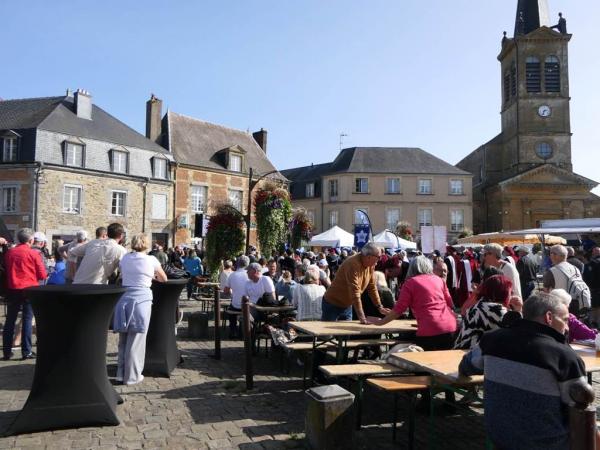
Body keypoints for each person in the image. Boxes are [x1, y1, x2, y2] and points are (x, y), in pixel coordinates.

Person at [459, 291, 587, 449]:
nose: (567, 327)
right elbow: (580, 411)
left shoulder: (491, 340)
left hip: (500, 438)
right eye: (565, 320)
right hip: (549, 444)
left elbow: (466, 366)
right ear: (549, 317)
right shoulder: (564, 357)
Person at [113, 234, 167, 385]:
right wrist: (152, 277)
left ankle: (120, 373)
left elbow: (122, 275)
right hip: (141, 298)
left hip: (124, 297)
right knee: (136, 339)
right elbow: (164, 278)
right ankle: (132, 376)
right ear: (146, 244)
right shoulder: (151, 260)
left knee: (123, 338)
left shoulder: (125, 258)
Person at [369, 256, 457, 348]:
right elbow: (450, 304)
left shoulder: (410, 283)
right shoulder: (439, 280)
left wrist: (381, 322)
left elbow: (399, 310)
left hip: (429, 330)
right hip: (451, 327)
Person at [2, 228, 47, 360]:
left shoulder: (10, 253)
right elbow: (42, 274)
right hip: (29, 289)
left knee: (10, 320)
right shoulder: (33, 254)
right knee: (27, 320)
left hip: (13, 289)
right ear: (31, 240)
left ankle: (6, 351)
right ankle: (26, 351)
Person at [322, 242, 390, 323]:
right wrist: (362, 317)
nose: (380, 259)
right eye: (379, 257)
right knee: (326, 334)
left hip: (347, 305)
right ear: (368, 257)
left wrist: (379, 307)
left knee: (346, 335)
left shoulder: (371, 265)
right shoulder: (352, 264)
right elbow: (355, 292)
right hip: (332, 304)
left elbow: (372, 287)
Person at [454, 275, 516, 349]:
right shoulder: (493, 309)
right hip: (471, 355)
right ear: (503, 292)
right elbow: (517, 333)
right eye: (510, 292)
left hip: (463, 351)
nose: (512, 294)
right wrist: (518, 310)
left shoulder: (481, 304)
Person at [543, 244, 590, 312]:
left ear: (553, 255)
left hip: (559, 306)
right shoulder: (575, 268)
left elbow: (546, 291)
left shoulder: (552, 271)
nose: (550, 256)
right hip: (576, 303)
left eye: (550, 254)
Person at [223, 255, 250, 338]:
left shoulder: (232, 275)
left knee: (232, 309)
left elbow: (226, 290)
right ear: (247, 264)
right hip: (248, 305)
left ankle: (233, 330)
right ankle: (244, 330)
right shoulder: (249, 275)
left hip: (236, 305)